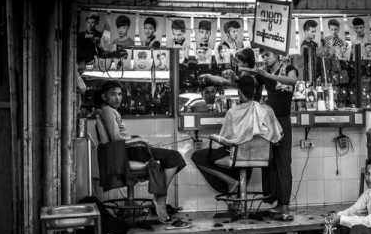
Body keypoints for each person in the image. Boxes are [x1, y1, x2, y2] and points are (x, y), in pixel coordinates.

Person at [96, 81, 188, 225]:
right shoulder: (108, 111)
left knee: (170, 159)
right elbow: (116, 139)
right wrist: (140, 140)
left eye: (119, 94)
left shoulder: (107, 110)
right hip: (127, 151)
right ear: (104, 96)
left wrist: (138, 140)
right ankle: (160, 197)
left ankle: (160, 195)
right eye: (113, 94)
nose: (118, 98)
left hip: (128, 150)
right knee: (174, 157)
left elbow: (120, 137)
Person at [191, 75, 283, 195]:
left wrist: (213, 137)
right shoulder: (267, 110)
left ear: (239, 92)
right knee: (236, 157)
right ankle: (237, 192)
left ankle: (231, 182)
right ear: (255, 91)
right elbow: (278, 137)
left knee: (198, 156)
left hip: (238, 157)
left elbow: (224, 140)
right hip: (260, 157)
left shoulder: (233, 112)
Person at [254, 50, 298, 219]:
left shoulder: (289, 69)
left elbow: (293, 80)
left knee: (284, 163)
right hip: (269, 121)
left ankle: (285, 205)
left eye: (268, 55)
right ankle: (277, 202)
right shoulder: (264, 73)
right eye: (263, 56)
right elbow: (250, 84)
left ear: (278, 54)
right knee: (270, 163)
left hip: (283, 121)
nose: (265, 58)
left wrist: (268, 76)